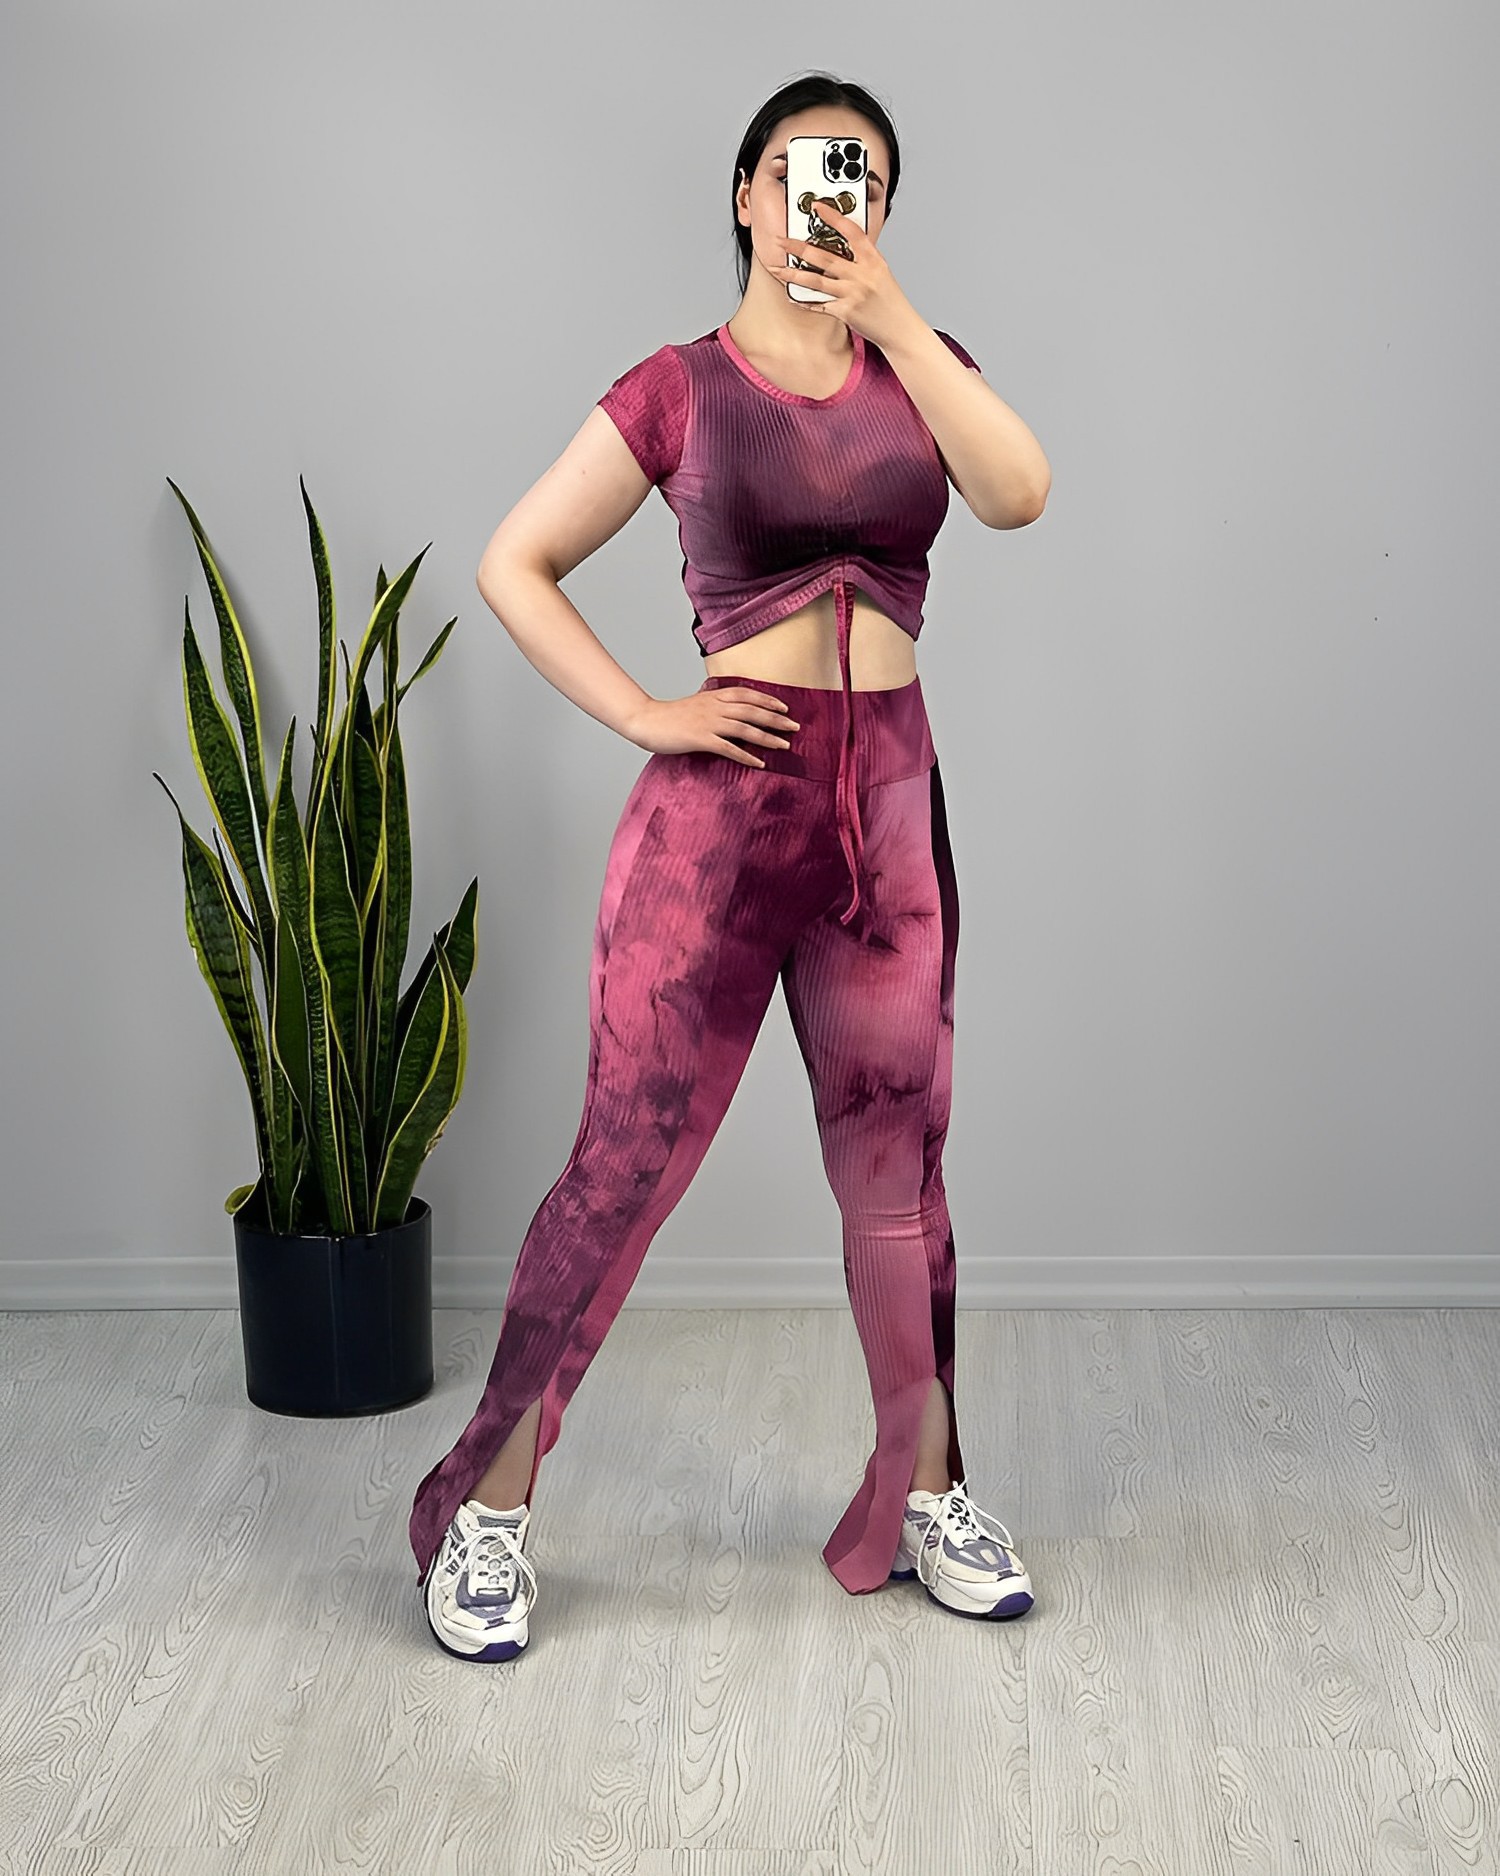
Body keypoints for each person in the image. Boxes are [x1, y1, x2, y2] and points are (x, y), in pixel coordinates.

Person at [414, 73, 1051, 1662]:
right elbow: (516, 561)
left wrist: (894, 318)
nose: (834, 199)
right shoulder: (682, 387)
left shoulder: (923, 369)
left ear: (883, 213)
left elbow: (1020, 493)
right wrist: (648, 710)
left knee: (900, 1170)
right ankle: (482, 1513)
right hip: (721, 818)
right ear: (750, 196)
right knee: (623, 1160)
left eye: (866, 181)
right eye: (805, 170)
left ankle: (926, 1491)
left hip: (886, 809)